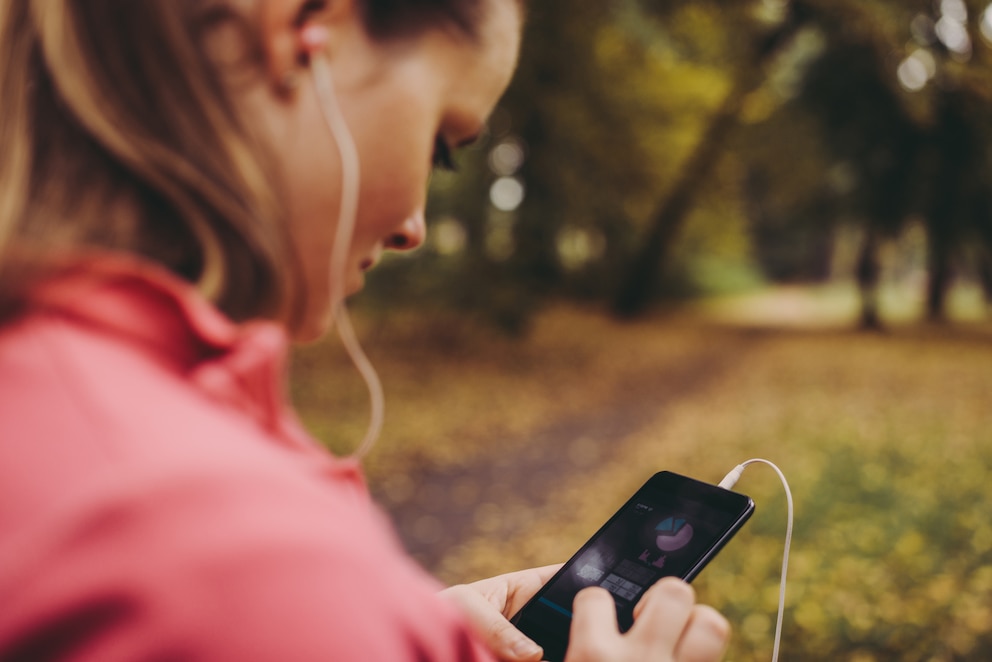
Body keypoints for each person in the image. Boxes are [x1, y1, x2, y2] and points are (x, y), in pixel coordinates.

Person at [0, 1, 732, 660]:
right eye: (442, 143)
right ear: (303, 29)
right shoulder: (217, 541)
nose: (414, 226)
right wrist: (327, 605)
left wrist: (381, 627)